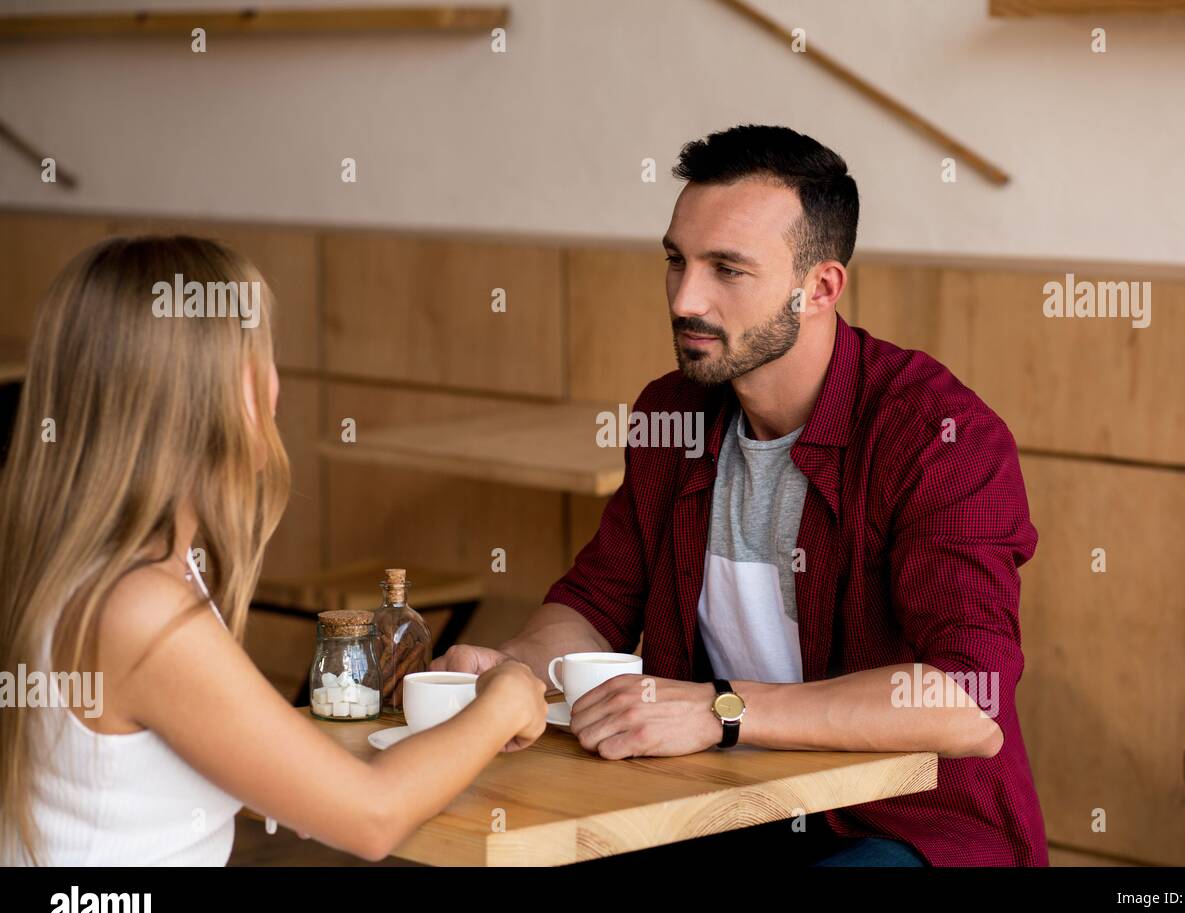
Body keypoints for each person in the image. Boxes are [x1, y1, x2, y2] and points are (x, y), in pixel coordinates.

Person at [433, 125, 1049, 867]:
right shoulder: (672, 413)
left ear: (819, 288)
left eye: (727, 269)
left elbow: (970, 699)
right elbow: (594, 605)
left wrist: (720, 708)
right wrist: (513, 669)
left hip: (904, 826)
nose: (686, 297)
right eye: (675, 261)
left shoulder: (939, 437)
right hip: (710, 807)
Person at [0, 236, 548, 866]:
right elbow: (372, 817)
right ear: (213, 391)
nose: (275, 388)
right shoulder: (138, 605)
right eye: (261, 357)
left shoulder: (94, 567)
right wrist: (504, 701)